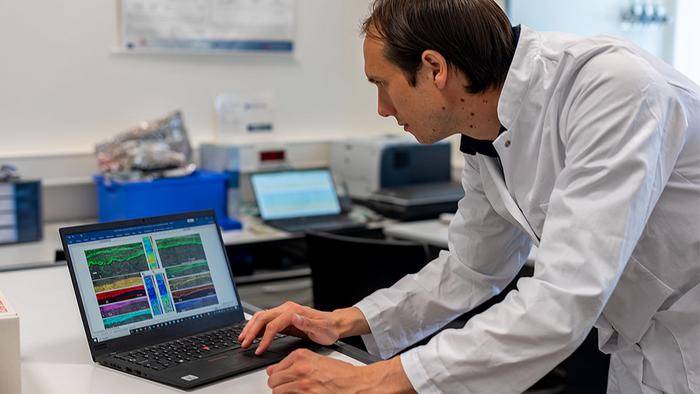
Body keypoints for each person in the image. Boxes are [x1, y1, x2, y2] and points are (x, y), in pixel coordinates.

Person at [238, 0, 700, 392]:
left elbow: (562, 300)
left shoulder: (615, 90)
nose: (381, 108)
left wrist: (377, 380)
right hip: (647, 348)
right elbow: (472, 268)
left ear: (434, 68)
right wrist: (342, 321)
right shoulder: (488, 130)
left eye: (382, 84)